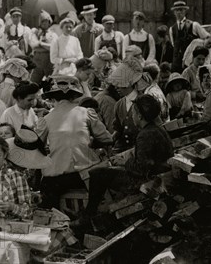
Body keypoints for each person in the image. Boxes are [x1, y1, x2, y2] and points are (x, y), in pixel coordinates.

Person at [82, 95, 173, 220]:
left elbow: (141, 169)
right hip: (159, 174)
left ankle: (88, 215)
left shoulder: (145, 134)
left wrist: (125, 162)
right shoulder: (158, 129)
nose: (133, 117)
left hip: (146, 181)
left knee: (97, 174)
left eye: (134, 113)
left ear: (140, 116)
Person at [37, 76, 112, 209]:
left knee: (46, 188)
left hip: (56, 178)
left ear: (53, 99)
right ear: (74, 97)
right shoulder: (87, 113)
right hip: (86, 174)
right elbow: (107, 138)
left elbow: (37, 146)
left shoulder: (46, 119)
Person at [108, 58, 144, 152]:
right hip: (122, 149)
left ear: (128, 83)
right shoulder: (119, 104)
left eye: (119, 84)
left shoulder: (144, 101)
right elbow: (118, 129)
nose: (116, 88)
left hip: (140, 149)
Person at [169, 1, 209, 73]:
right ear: (174, 12)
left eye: (181, 10)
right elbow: (173, 45)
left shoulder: (194, 25)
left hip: (191, 62)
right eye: (176, 10)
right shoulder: (172, 29)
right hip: (177, 63)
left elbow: (207, 38)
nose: (178, 12)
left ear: (185, 11)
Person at [29, 10, 58, 83]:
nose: (44, 23)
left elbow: (54, 48)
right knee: (33, 84)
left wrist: (41, 44)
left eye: (46, 21)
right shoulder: (35, 33)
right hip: (37, 64)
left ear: (49, 22)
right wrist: (46, 47)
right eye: (42, 21)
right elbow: (33, 46)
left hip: (49, 64)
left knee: (52, 85)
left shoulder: (53, 34)